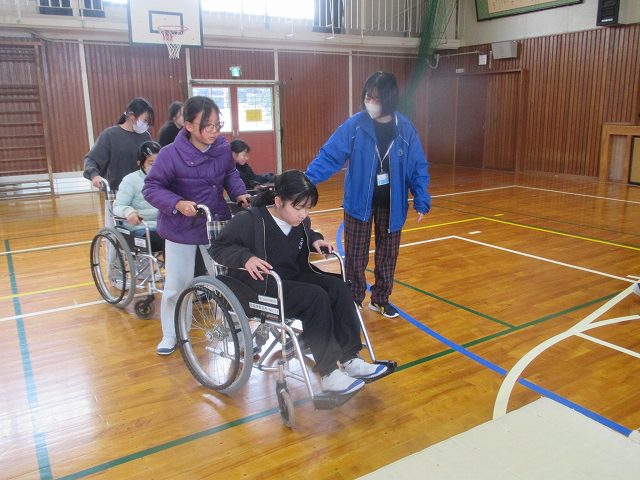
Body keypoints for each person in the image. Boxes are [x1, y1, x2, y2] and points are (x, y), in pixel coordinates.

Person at [209, 170, 388, 395]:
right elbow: (217, 248)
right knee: (316, 298)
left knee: (339, 288)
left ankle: (350, 358)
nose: (304, 214)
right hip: (262, 287)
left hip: (291, 277)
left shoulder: (301, 221)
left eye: (308, 208)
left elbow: (305, 232)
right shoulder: (249, 220)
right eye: (299, 207)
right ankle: (329, 373)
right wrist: (245, 258)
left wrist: (315, 240)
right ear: (278, 202)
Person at [305, 71, 431, 319]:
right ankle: (353, 299)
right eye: (367, 97)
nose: (370, 102)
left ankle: (381, 300)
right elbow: (330, 155)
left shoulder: (405, 129)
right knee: (355, 256)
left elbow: (417, 166)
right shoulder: (355, 125)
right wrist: (307, 181)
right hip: (358, 203)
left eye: (376, 98)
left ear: (389, 99)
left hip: (393, 206)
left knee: (388, 256)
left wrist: (421, 198)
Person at [143, 95, 251, 355]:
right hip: (180, 227)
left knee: (226, 280)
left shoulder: (222, 149)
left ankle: (235, 329)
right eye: (208, 126)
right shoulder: (170, 154)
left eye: (217, 125)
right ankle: (172, 333)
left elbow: (230, 174)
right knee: (177, 285)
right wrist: (178, 203)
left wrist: (239, 193)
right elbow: (152, 187)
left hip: (215, 222)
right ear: (189, 125)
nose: (214, 131)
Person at [83, 97, 155, 192]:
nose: (146, 125)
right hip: (117, 191)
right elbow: (91, 159)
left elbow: (151, 162)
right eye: (145, 120)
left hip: (141, 191)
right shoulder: (110, 135)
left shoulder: (145, 137)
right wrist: (94, 176)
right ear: (132, 116)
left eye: (148, 123)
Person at [112, 140, 164, 252]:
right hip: (141, 228)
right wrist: (129, 213)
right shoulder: (130, 180)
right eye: (151, 163)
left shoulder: (167, 178)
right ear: (140, 163)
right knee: (167, 240)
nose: (156, 166)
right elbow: (118, 206)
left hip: (164, 225)